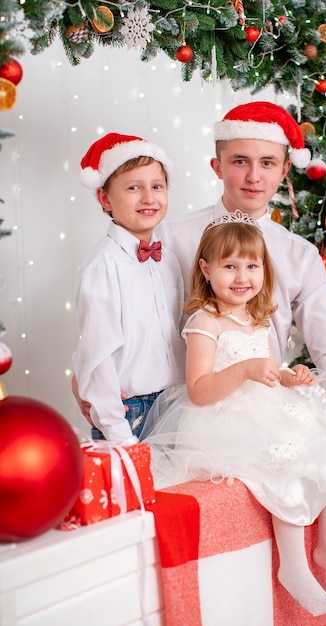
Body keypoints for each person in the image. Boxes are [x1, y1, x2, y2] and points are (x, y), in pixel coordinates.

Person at [142, 213, 326, 617]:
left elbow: (269, 370)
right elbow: (200, 390)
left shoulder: (257, 317)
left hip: (266, 405)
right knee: (284, 462)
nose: (242, 276)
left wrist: (292, 377)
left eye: (251, 266)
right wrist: (244, 371)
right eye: (229, 266)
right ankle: (293, 567)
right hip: (222, 416)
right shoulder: (204, 322)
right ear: (206, 268)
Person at [156, 100, 326, 494]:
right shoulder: (173, 236)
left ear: (285, 169)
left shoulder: (299, 254)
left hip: (268, 416)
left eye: (268, 162)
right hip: (192, 423)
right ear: (217, 166)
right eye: (239, 161)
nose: (253, 176)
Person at [72, 132, 185, 442]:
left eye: (157, 186)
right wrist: (115, 426)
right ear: (105, 198)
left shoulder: (169, 259)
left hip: (175, 403)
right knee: (133, 489)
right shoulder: (103, 266)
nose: (149, 198)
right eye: (134, 187)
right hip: (129, 411)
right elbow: (98, 353)